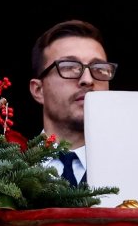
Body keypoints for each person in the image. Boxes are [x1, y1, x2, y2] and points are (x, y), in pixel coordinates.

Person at [28, 19, 116, 188]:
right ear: (38, 90)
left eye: (99, 68)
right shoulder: (3, 175)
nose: (88, 80)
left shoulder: (135, 167)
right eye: (69, 66)